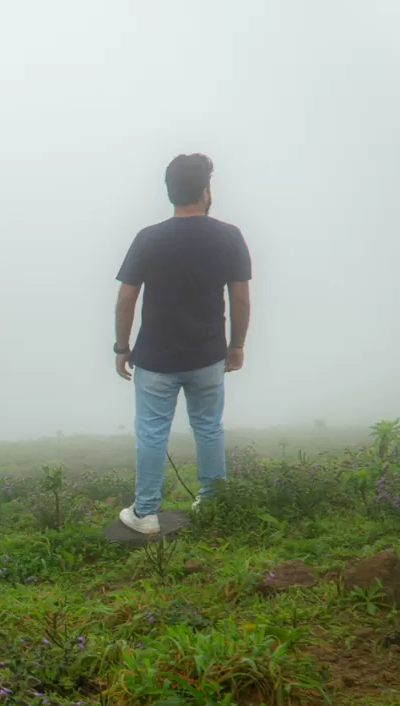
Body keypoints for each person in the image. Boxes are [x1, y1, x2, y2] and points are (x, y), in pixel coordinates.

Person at [112, 153, 252, 535]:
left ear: (170, 192)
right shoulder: (229, 236)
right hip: (207, 355)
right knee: (208, 427)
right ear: (206, 190)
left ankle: (145, 514)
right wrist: (236, 345)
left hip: (155, 359)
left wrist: (121, 348)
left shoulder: (148, 238)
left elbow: (127, 299)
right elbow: (240, 297)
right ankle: (212, 501)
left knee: (152, 432)